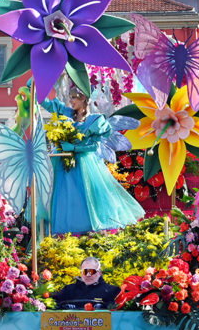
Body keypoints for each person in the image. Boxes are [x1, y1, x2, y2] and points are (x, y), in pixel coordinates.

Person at [42, 84, 145, 234]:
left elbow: (95, 146)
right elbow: (47, 104)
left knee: (87, 200)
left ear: (83, 98)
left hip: (85, 165)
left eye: (73, 98)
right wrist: (36, 85)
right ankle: (69, 238)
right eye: (70, 98)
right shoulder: (67, 113)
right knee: (66, 200)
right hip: (64, 166)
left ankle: (89, 238)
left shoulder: (95, 120)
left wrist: (74, 148)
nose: (71, 101)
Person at [53, 257, 120, 309]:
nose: (88, 275)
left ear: (99, 273)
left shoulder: (112, 291)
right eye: (85, 271)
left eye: (92, 271)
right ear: (81, 273)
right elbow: (52, 304)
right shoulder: (68, 290)